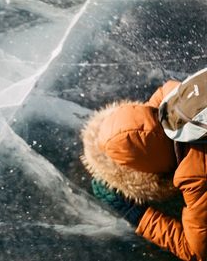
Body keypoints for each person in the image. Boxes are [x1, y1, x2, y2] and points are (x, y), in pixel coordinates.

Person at [80, 76, 207, 261]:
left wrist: (137, 215)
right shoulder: (173, 93)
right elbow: (144, 128)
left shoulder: (195, 177)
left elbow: (198, 252)